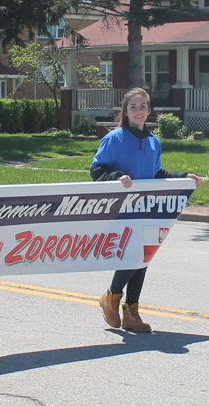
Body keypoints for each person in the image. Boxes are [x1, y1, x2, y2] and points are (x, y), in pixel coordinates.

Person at [90, 87, 201, 333]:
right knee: (133, 256)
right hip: (121, 208)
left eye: (143, 106)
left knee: (143, 259)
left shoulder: (153, 141)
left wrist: (183, 178)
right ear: (125, 111)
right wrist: (118, 177)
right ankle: (111, 296)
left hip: (148, 206)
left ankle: (131, 312)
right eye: (133, 107)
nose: (138, 111)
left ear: (149, 110)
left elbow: (157, 174)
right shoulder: (114, 138)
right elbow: (97, 170)